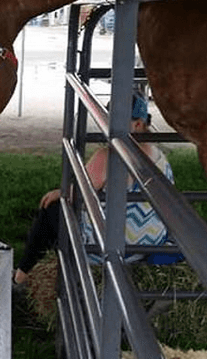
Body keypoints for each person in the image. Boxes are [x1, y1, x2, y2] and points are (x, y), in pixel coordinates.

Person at [13, 92, 174, 286]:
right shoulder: (159, 156)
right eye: (107, 118)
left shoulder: (109, 156)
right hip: (149, 244)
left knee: (52, 208)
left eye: (114, 119)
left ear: (138, 124)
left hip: (111, 247)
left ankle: (21, 276)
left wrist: (59, 193)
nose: (107, 125)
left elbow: (76, 193)